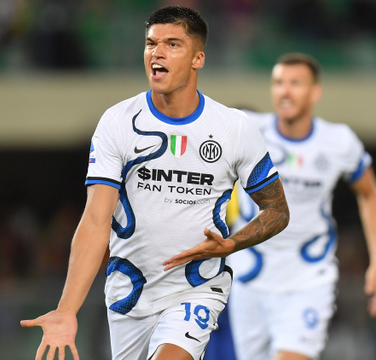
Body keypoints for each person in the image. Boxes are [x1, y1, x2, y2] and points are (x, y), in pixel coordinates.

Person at [20, 6, 290, 360]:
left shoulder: (234, 129)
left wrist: (230, 245)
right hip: (129, 293)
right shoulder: (118, 122)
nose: (157, 52)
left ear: (198, 58)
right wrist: (67, 309)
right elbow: (96, 221)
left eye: (173, 44)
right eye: (151, 43)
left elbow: (277, 210)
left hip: (196, 288)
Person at [226, 53, 376, 360]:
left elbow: (370, 193)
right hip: (249, 277)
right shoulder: (247, 130)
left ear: (315, 92)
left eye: (295, 83)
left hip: (308, 277)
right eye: (278, 83)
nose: (285, 91)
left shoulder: (338, 141)